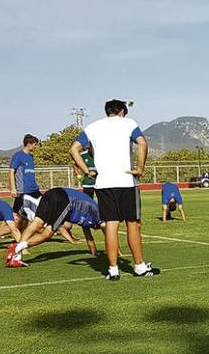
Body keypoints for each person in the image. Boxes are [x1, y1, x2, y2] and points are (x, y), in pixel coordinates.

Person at [70, 99, 157, 280]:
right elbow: (142, 143)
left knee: (111, 224)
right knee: (132, 223)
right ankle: (139, 266)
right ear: (122, 111)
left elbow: (73, 150)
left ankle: (113, 270)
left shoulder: (93, 127)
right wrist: (140, 168)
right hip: (126, 181)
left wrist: (87, 171)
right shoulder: (129, 123)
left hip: (103, 183)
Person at [4, 187, 103, 267]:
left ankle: (17, 258)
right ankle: (18, 247)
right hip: (64, 199)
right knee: (48, 233)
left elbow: (89, 238)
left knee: (36, 223)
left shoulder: (89, 214)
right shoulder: (99, 216)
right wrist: (117, 254)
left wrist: (93, 254)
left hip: (51, 193)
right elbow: (109, 232)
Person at [0, 134, 43, 240]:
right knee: (16, 219)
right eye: (35, 145)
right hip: (23, 192)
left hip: (34, 190)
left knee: (23, 217)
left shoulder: (30, 157)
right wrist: (13, 188)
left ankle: (20, 234)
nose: (36, 147)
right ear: (29, 144)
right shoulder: (18, 155)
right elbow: (11, 171)